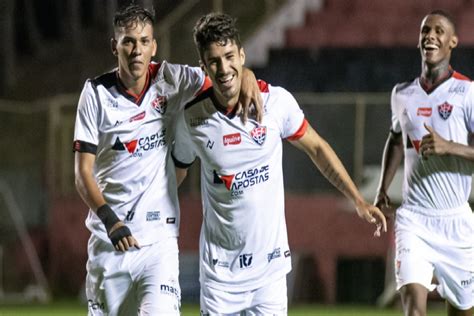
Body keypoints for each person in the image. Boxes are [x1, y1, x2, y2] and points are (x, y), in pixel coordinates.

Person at [172, 12, 387, 315]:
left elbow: (318, 149)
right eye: (214, 60)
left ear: (242, 54)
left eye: (230, 56)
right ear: (203, 67)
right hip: (221, 278)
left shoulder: (276, 103)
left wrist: (358, 200)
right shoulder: (192, 119)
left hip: (270, 275)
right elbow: (177, 170)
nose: (224, 68)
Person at [73, 4, 262, 315]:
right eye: (128, 41)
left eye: (144, 41)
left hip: (159, 242)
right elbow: (83, 173)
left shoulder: (172, 79)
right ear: (114, 46)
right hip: (110, 242)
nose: (137, 50)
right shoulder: (95, 95)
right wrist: (111, 221)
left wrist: (249, 74)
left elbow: (223, 76)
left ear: (154, 46)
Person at [374, 10, 474, 316]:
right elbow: (395, 139)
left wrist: (449, 147)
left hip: (456, 221)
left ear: (452, 42)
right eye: (425, 30)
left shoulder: (467, 92)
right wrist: (382, 189)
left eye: (439, 31)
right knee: (414, 312)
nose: (430, 35)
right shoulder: (402, 94)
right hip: (414, 220)